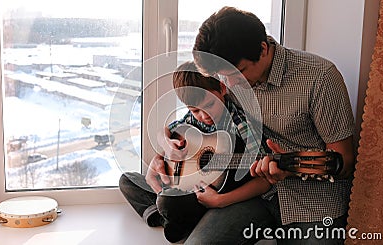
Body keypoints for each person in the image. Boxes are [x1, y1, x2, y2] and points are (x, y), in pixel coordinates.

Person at [150, 6, 356, 244]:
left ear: (263, 49)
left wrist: (290, 166)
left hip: (313, 202)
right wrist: (166, 147)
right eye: (223, 77)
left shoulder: (320, 77)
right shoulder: (229, 77)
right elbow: (190, 119)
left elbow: (345, 162)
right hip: (254, 194)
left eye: (238, 73)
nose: (230, 84)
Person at [119, 61, 271, 243]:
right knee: (127, 180)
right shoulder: (192, 119)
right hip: (190, 187)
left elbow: (265, 182)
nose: (203, 115)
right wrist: (167, 146)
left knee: (168, 202)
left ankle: (169, 213)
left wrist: (220, 200)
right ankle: (163, 215)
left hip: (216, 196)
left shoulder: (241, 125)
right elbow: (166, 131)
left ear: (222, 89)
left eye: (209, 105)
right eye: (195, 110)